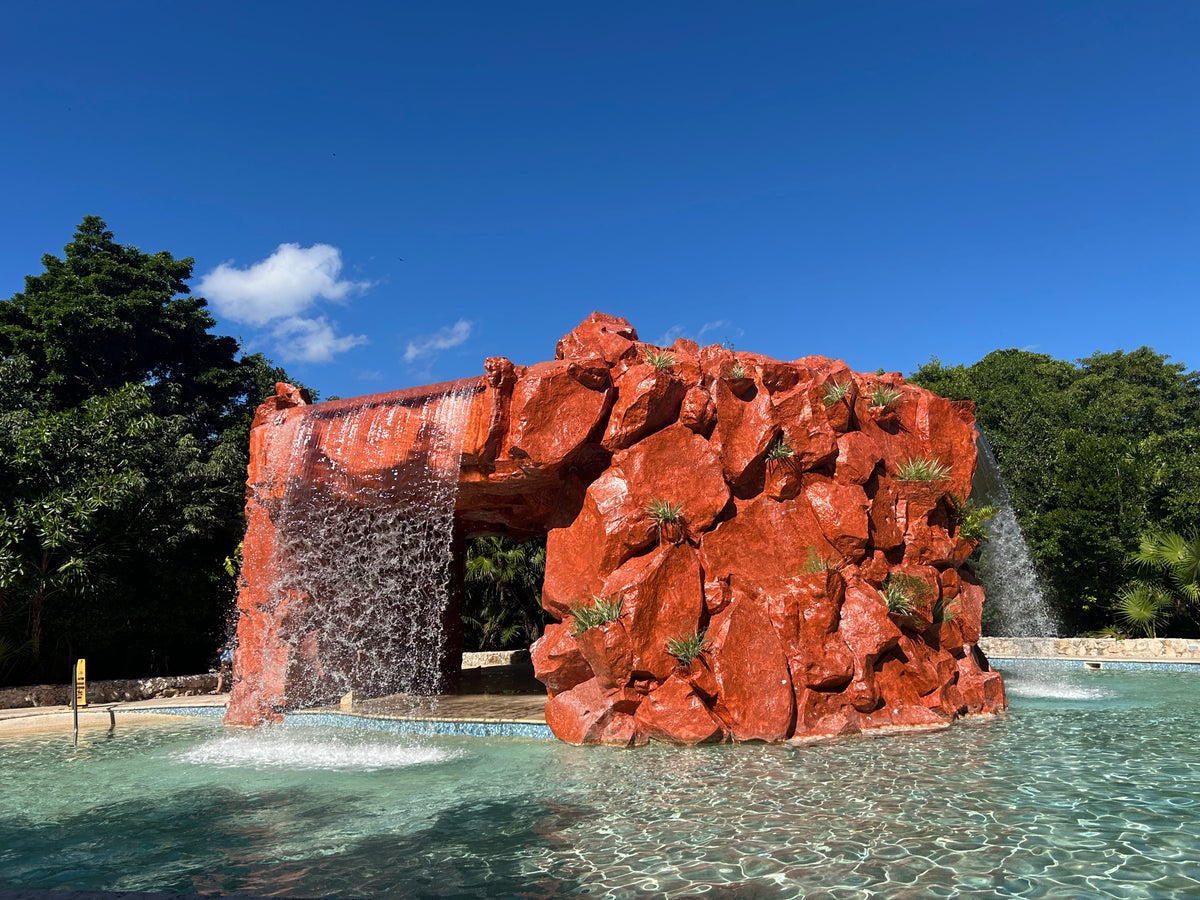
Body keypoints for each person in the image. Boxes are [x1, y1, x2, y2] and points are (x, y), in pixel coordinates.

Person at [213, 630, 236, 694]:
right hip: (228, 651)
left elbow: (233, 641)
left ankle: (234, 689)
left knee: (235, 671)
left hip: (232, 651)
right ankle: (218, 690)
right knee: (222, 671)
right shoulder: (230, 628)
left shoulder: (235, 628)